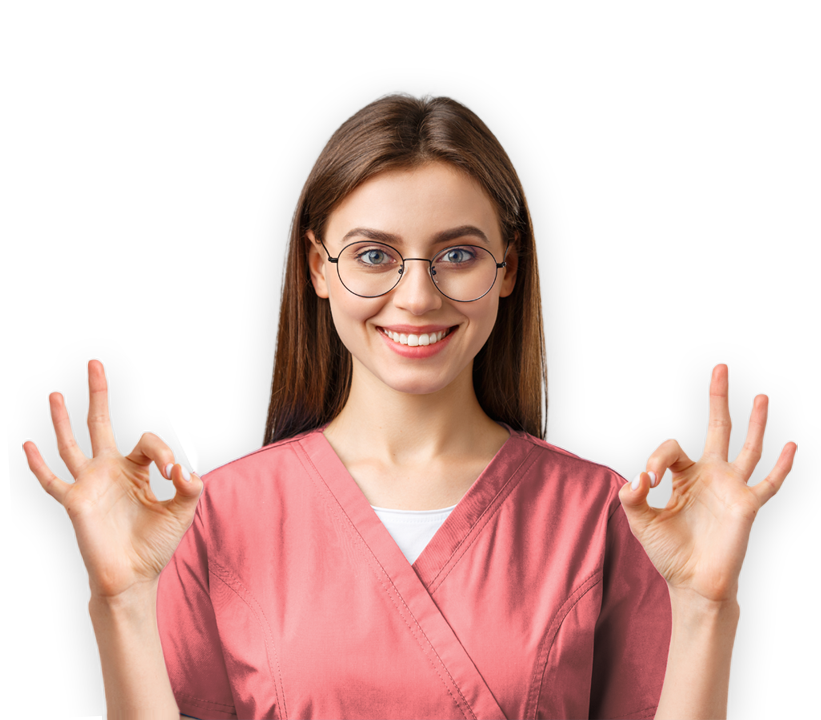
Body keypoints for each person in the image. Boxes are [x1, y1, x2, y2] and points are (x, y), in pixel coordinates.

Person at [21, 86, 795, 719]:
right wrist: (119, 599)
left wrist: (706, 606)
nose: (416, 296)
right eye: (372, 256)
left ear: (509, 268)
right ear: (317, 268)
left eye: (458, 254)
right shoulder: (213, 515)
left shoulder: (603, 514)